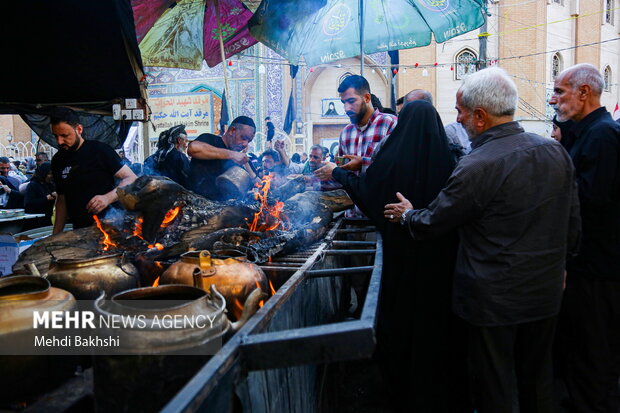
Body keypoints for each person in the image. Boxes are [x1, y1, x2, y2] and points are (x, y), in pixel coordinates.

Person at [384, 67, 581, 413]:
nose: (457, 119)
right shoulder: (554, 152)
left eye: (460, 112)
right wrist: (563, 265)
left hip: (495, 301)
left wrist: (407, 215)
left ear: (479, 116)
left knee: (496, 386)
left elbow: (435, 221)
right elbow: (573, 223)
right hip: (546, 293)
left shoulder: (478, 163)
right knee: (538, 380)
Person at [315, 100, 468, 412]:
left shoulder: (392, 158)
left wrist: (339, 173)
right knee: (433, 327)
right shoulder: (452, 162)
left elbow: (370, 194)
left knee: (400, 321)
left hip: (401, 257)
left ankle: (400, 390)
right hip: (439, 261)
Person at [549, 63, 620, 413]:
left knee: (596, 352)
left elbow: (590, 198)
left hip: (598, 267)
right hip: (588, 264)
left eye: (560, 91)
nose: (553, 99)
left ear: (584, 92)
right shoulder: (588, 132)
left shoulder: (603, 134)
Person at [50, 108, 137, 233]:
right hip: (80, 229)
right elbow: (61, 199)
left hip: (111, 226)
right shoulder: (57, 160)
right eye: (56, 136)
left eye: (64, 135)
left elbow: (131, 178)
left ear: (79, 129)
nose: (59, 141)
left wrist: (108, 198)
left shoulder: (100, 151)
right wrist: (56, 233)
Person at [336, 75, 397, 218]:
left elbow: (396, 169)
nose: (346, 108)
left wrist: (362, 164)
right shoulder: (346, 133)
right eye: (343, 102)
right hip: (352, 216)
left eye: (351, 101)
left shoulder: (390, 124)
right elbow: (342, 173)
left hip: (381, 217)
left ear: (367, 98)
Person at [188, 116, 257, 200]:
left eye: (248, 141)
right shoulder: (210, 140)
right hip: (196, 203)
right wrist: (231, 154)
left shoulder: (238, 159)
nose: (245, 144)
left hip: (220, 208)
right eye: (243, 138)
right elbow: (193, 148)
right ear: (232, 131)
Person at [24, 161, 56, 227]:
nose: (51, 176)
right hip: (37, 222)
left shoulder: (51, 184)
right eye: (49, 174)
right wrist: (47, 198)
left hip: (48, 219)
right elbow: (28, 203)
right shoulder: (33, 185)